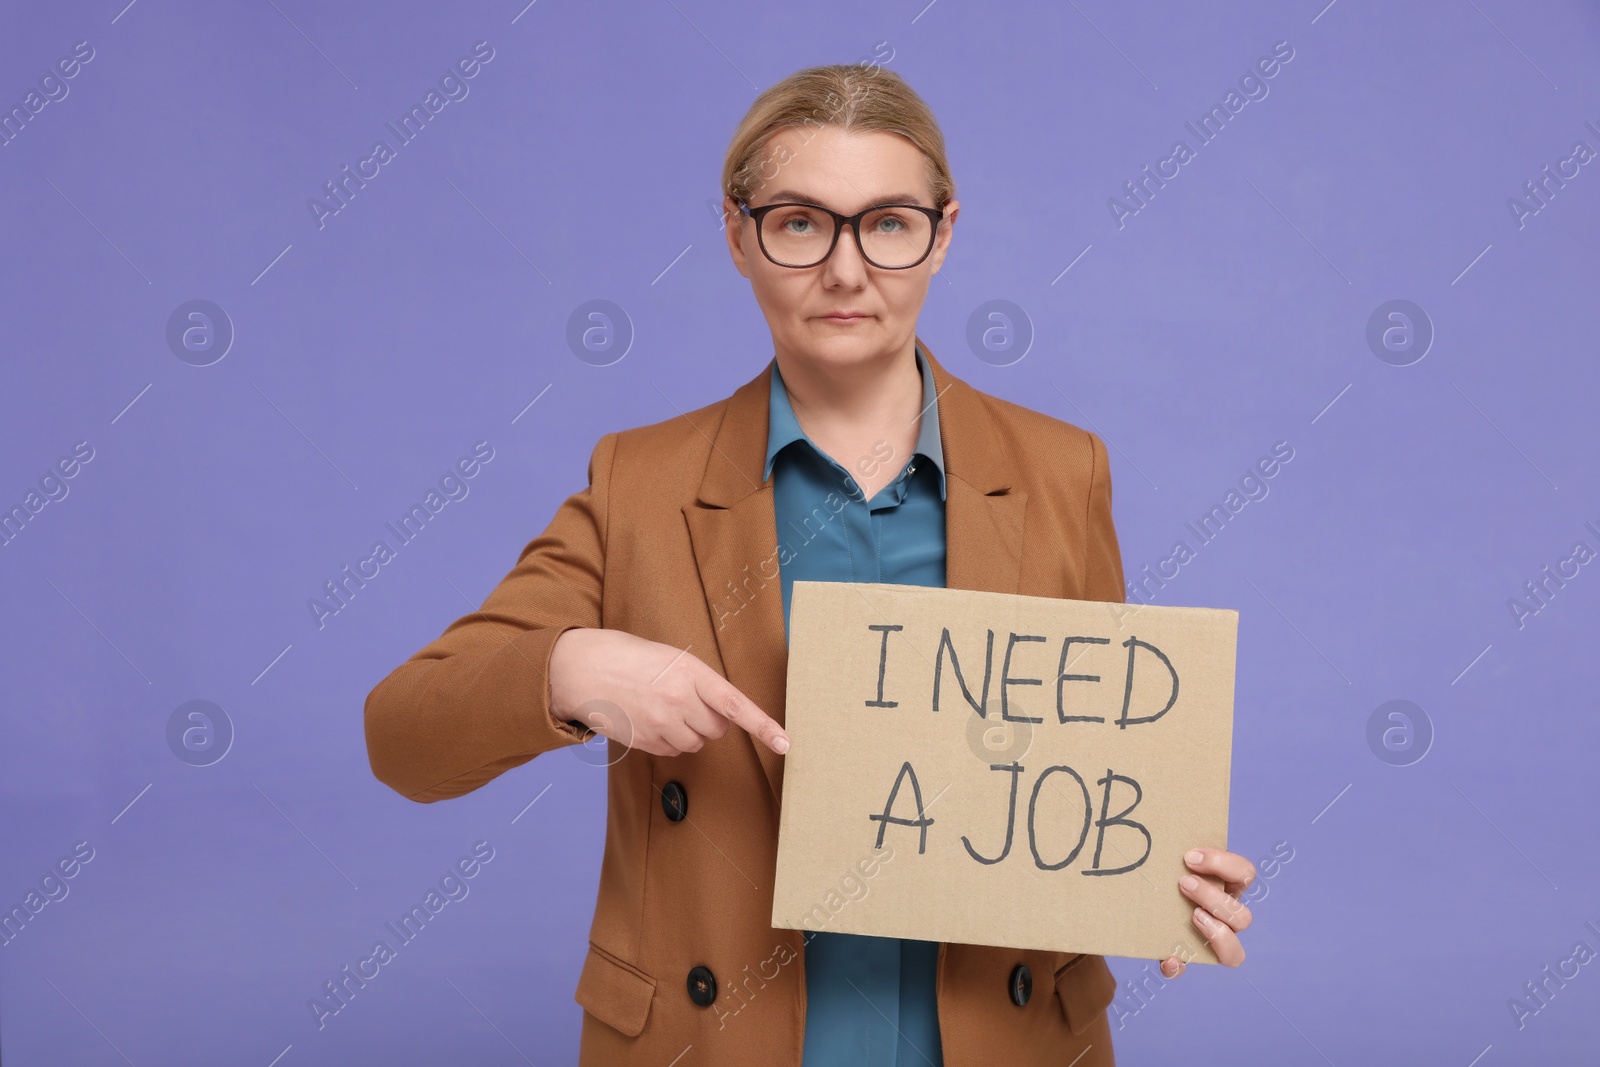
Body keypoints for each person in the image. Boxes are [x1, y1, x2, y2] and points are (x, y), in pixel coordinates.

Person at [364, 62, 1254, 1066]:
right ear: (740, 237)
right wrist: (571, 670)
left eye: (887, 222)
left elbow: (1082, 763)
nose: (846, 268)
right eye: (800, 223)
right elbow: (404, 737)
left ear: (942, 233)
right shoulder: (639, 485)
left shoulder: (1062, 471)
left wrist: (1148, 877)